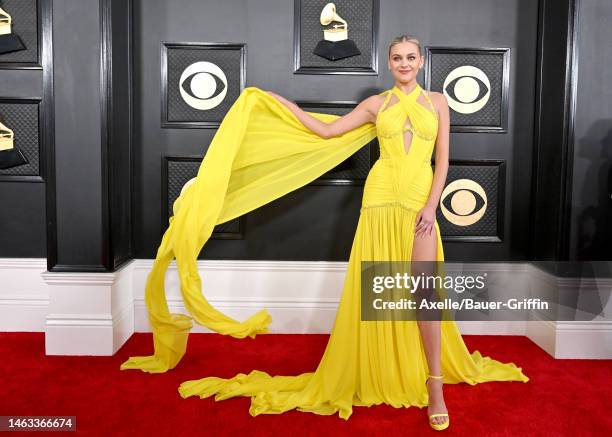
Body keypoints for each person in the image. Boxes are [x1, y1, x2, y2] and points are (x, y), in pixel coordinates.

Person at [122, 35, 528, 431]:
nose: (404, 64)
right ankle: (383, 366)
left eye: (410, 57)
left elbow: (443, 161)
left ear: (421, 62)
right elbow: (327, 132)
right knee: (384, 289)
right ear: (389, 64)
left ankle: (435, 385)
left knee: (423, 293)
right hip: (380, 196)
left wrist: (430, 204)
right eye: (397, 58)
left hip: (418, 200)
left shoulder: (437, 102)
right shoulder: (376, 104)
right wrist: (285, 106)